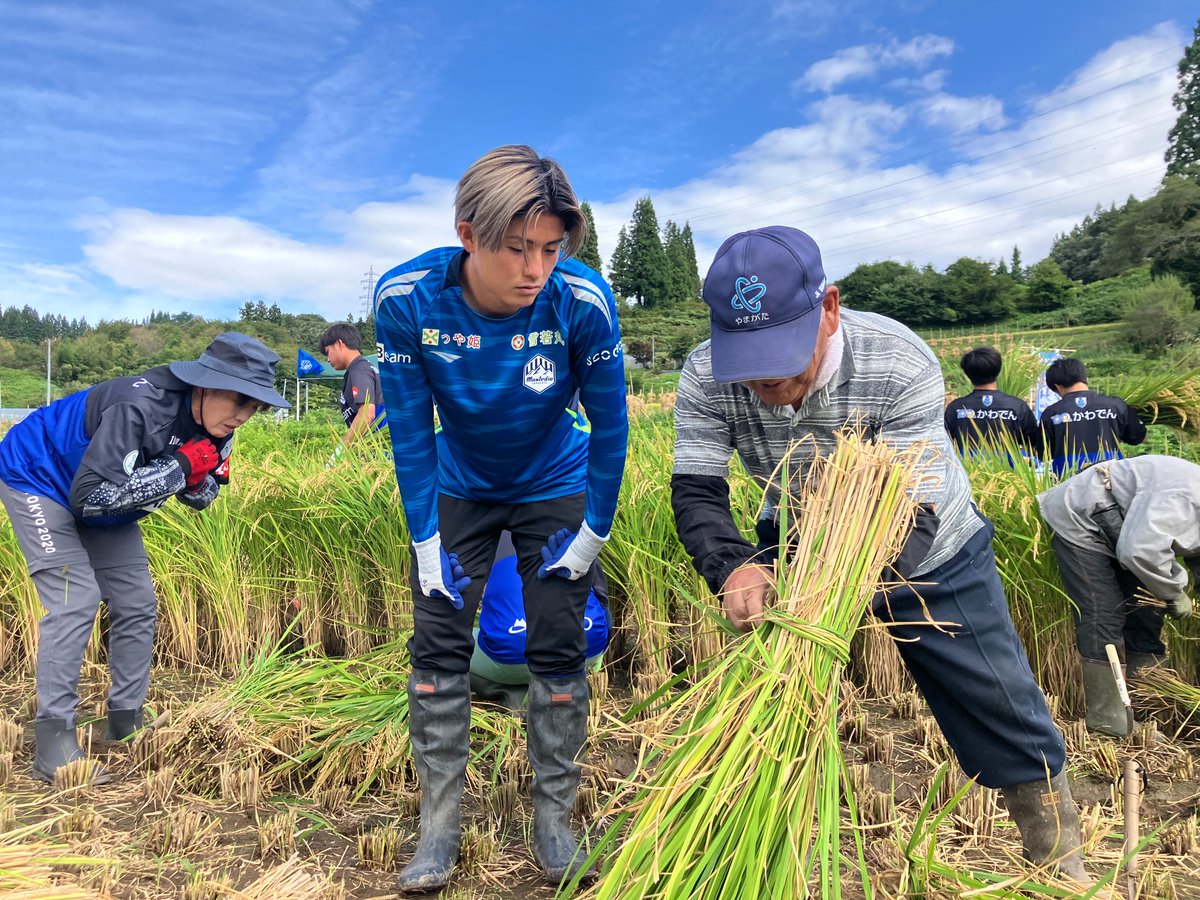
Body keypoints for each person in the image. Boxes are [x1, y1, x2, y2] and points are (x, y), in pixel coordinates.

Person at [671, 226, 1088, 882]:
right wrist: (733, 565)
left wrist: (836, 592)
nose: (766, 378)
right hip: (795, 539)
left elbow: (911, 509)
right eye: (745, 358)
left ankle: (1060, 863)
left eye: (780, 351)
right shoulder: (703, 373)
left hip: (928, 543)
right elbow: (696, 488)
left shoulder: (896, 358)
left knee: (1001, 703)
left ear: (828, 308)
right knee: (775, 696)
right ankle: (769, 858)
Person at [373, 144, 628, 892]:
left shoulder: (580, 301)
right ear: (468, 234)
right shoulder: (407, 300)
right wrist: (424, 539)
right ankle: (439, 827)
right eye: (518, 249)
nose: (534, 270)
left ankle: (554, 817)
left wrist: (594, 532)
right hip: (460, 485)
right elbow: (412, 431)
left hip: (555, 479)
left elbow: (612, 428)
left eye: (550, 249)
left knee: (558, 643)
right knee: (438, 642)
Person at [0, 333, 289, 784]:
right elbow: (91, 497)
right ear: (205, 386)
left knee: (137, 603)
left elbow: (204, 495)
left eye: (255, 407)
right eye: (239, 400)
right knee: (76, 599)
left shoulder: (221, 431)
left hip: (109, 501)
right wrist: (176, 468)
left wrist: (190, 476)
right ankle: (53, 741)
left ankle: (125, 720)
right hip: (40, 478)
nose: (243, 415)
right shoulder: (139, 407)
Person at [1038, 455, 1196, 737]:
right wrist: (1174, 591)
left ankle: (1147, 703)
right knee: (1104, 611)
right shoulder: (1186, 499)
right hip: (1082, 514)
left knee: (1146, 610)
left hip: (1123, 522)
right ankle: (1108, 718)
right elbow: (1140, 551)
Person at [470, 531, 610, 711]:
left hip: (512, 649)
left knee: (451, 649)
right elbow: (603, 603)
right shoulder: (573, 527)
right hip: (586, 649)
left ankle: (514, 693)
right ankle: (566, 687)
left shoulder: (489, 528)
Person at [1040, 357, 1145, 476]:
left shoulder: (1051, 413)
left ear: (1058, 386)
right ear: (1084, 378)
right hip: (1110, 478)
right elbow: (1137, 437)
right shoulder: (1116, 405)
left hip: (1067, 481)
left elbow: (1043, 453)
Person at [944, 346, 1041, 458]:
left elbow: (945, 444)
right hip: (1008, 473)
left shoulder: (955, 408)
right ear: (998, 371)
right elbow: (1034, 445)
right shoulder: (1017, 407)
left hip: (966, 472)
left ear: (967, 374)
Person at [318, 322, 387, 456]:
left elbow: (367, 414)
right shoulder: (362, 369)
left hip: (377, 452)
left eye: (328, 352)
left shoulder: (359, 370)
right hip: (373, 449)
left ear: (339, 344)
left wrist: (340, 452)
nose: (328, 359)